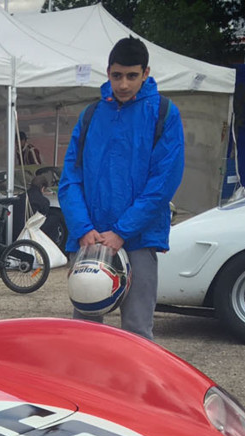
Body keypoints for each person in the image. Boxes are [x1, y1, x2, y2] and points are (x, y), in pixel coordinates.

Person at [58, 36, 184, 341]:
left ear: (146, 73)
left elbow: (163, 182)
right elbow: (70, 177)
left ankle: (133, 377)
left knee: (137, 332)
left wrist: (122, 231)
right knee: (85, 332)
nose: (123, 84)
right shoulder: (91, 115)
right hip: (90, 237)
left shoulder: (164, 113)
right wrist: (83, 228)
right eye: (117, 76)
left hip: (137, 238)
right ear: (108, 72)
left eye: (131, 76)